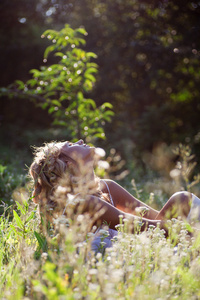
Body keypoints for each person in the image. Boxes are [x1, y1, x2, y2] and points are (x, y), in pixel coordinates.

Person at [29, 139, 200, 252]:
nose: (80, 140)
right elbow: (153, 228)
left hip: (146, 244)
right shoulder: (83, 203)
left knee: (182, 199)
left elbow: (157, 219)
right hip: (124, 264)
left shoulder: (107, 187)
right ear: (70, 164)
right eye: (71, 145)